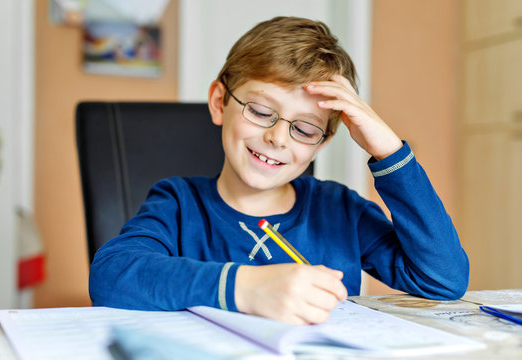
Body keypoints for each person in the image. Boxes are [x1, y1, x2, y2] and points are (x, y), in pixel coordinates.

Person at [89, 16, 469, 325]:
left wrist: (388, 152)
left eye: (304, 129)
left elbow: (443, 279)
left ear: (321, 143)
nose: (277, 138)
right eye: (260, 111)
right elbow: (111, 275)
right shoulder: (178, 203)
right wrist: (245, 287)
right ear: (220, 102)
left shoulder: (339, 210)